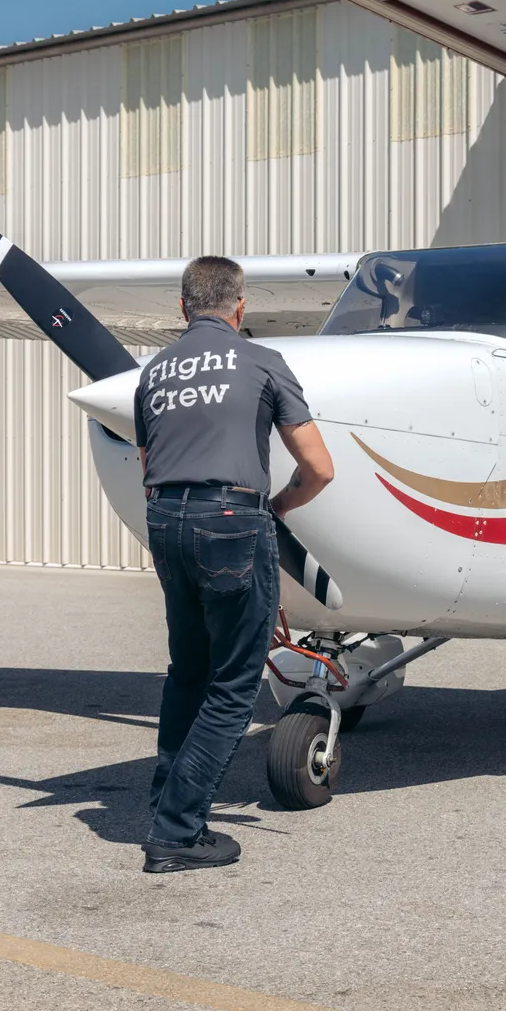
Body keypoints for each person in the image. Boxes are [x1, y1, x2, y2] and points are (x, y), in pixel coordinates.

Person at [134, 255, 335, 872]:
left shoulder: (155, 372)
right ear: (240, 307)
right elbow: (320, 467)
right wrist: (274, 508)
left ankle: (167, 794)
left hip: (166, 521)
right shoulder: (263, 362)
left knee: (188, 670)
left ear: (182, 308)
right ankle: (176, 832)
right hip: (231, 520)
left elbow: (148, 468)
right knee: (233, 685)